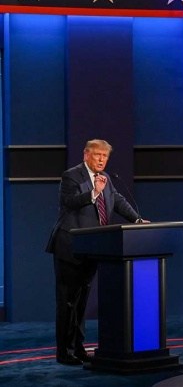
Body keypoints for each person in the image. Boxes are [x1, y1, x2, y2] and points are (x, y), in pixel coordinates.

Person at [45, 139, 146, 365]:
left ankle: (78, 348)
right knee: (67, 302)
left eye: (105, 156)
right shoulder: (71, 176)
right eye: (97, 155)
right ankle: (64, 352)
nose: (101, 159)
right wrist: (93, 192)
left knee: (81, 302)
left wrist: (137, 220)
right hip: (69, 247)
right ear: (86, 154)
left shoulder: (106, 178)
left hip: (92, 248)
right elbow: (69, 202)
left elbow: (117, 201)